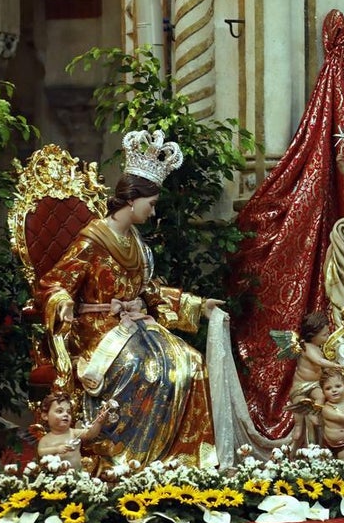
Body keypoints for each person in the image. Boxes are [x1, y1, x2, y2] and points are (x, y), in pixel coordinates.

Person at [36, 129, 219, 472]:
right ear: (133, 199)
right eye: (151, 205)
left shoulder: (138, 244)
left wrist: (197, 304)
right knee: (144, 368)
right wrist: (61, 300)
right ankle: (125, 459)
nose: (152, 213)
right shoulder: (92, 240)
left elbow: (147, 291)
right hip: (98, 331)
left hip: (136, 327)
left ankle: (178, 461)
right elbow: (55, 281)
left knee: (192, 363)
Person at [284, 312, 344, 445]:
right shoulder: (307, 347)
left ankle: (314, 414)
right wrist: (335, 365)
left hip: (315, 384)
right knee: (298, 405)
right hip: (301, 386)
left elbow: (322, 368)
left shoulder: (318, 348)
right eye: (324, 334)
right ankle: (298, 426)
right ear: (312, 335)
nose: (328, 336)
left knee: (321, 395)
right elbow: (319, 362)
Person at [35, 393, 110, 470]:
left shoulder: (73, 433)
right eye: (60, 411)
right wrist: (57, 449)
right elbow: (41, 452)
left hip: (76, 476)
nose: (65, 414)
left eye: (68, 412)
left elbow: (90, 434)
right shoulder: (45, 439)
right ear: (45, 416)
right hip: (55, 477)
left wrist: (98, 422)